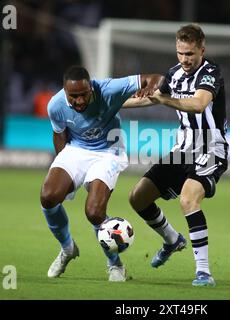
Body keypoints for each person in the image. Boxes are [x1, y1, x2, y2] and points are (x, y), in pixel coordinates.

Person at [124, 24, 228, 287]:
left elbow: (198, 104)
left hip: (210, 148)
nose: (185, 59)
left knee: (188, 198)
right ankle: (172, 239)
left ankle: (203, 272)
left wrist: (162, 99)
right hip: (182, 150)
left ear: (202, 50)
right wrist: (112, 103)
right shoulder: (174, 74)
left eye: (190, 54)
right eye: (181, 53)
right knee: (138, 198)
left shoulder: (211, 73)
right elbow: (151, 99)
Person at [40, 65, 162, 282]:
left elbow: (154, 77)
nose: (78, 101)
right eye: (73, 96)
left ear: (91, 88)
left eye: (83, 95)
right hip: (76, 150)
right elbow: (59, 135)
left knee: (95, 212)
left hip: (109, 150)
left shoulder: (108, 88)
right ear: (65, 92)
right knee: (49, 197)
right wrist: (65, 170)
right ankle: (68, 249)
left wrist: (150, 86)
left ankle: (115, 265)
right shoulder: (56, 105)